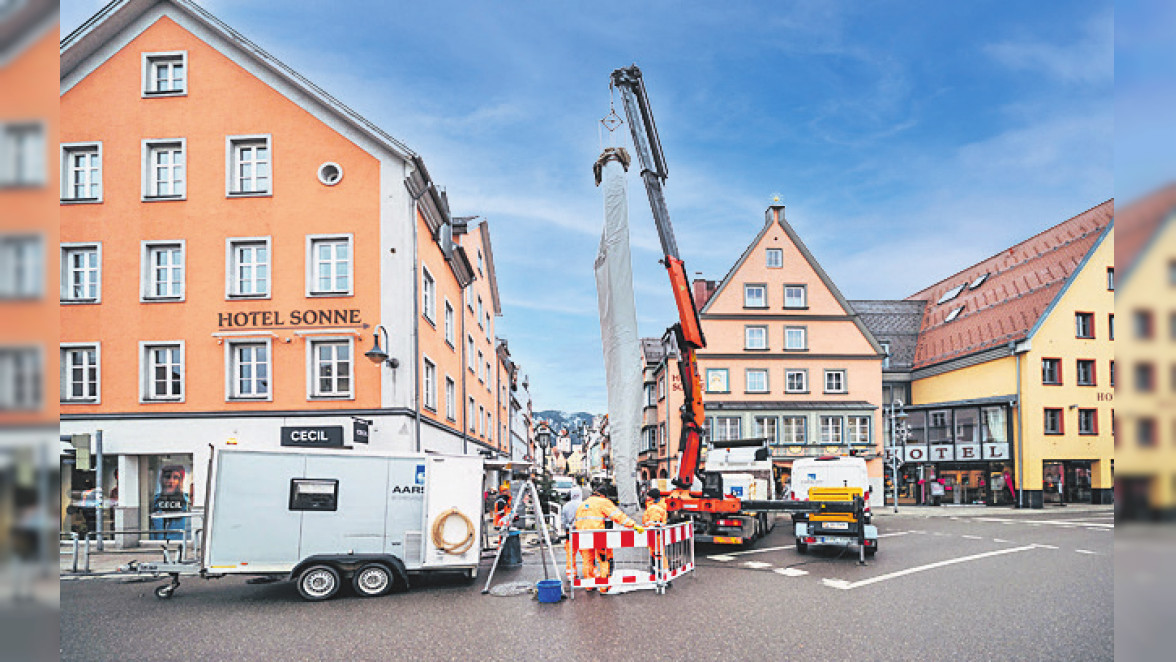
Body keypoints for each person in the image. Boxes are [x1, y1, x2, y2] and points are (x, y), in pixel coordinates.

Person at [573, 483, 644, 593]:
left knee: (587, 561)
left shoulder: (584, 504)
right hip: (598, 536)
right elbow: (618, 516)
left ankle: (589, 585)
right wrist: (633, 525)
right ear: (603, 495)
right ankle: (604, 587)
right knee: (603, 560)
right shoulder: (603, 502)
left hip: (583, 536)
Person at [150, 465, 190, 541]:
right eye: (167, 477)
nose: (171, 481)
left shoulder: (187, 502)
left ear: (180, 481)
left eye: (175, 478)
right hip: (157, 544)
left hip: (180, 543)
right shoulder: (155, 501)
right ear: (161, 480)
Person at [642, 488, 668, 575]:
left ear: (652, 497)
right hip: (656, 535)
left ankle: (661, 575)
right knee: (657, 555)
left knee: (657, 555)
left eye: (648, 495)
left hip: (655, 535)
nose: (647, 497)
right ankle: (658, 573)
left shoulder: (655, 508)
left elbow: (654, 523)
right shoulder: (656, 506)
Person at [560, 487, 583, 579]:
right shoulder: (583, 505)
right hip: (582, 532)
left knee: (570, 554)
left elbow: (563, 522)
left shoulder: (566, 506)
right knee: (586, 554)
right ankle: (590, 573)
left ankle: (571, 575)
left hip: (570, 532)